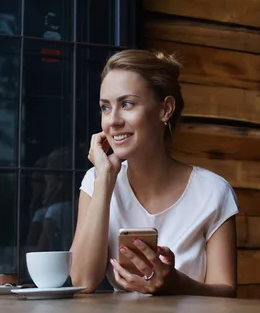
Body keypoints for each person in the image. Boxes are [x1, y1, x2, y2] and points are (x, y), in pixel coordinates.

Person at [70, 49, 239, 297]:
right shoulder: (96, 181)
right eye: (105, 108)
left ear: (165, 109)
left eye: (127, 104)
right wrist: (104, 180)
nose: (112, 121)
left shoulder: (213, 191)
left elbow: (227, 293)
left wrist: (176, 285)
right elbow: (82, 281)